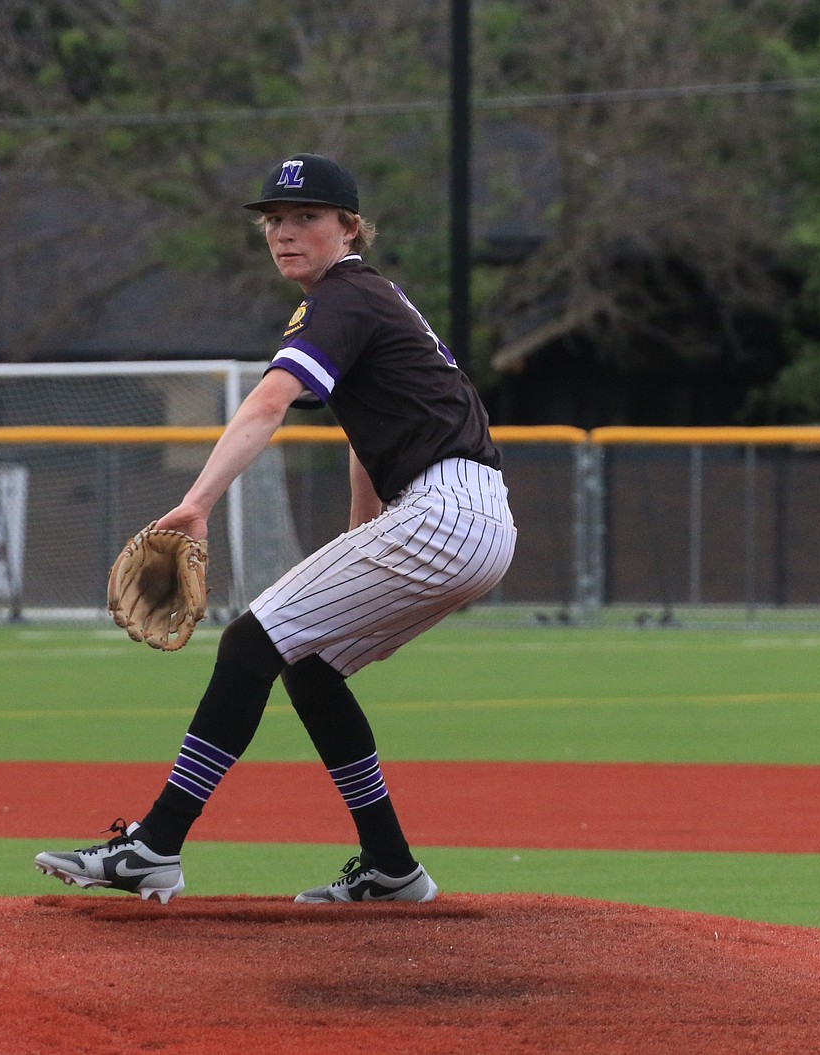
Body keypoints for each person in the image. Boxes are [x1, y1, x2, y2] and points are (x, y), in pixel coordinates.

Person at [35, 152, 517, 904]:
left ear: (350, 227)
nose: (285, 233)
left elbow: (269, 402)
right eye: (275, 220)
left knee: (248, 642)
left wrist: (196, 501)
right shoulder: (369, 301)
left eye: (307, 218)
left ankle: (155, 846)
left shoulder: (342, 299)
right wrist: (359, 537)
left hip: (444, 510)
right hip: (471, 517)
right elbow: (369, 432)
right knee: (311, 665)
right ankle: (391, 864)